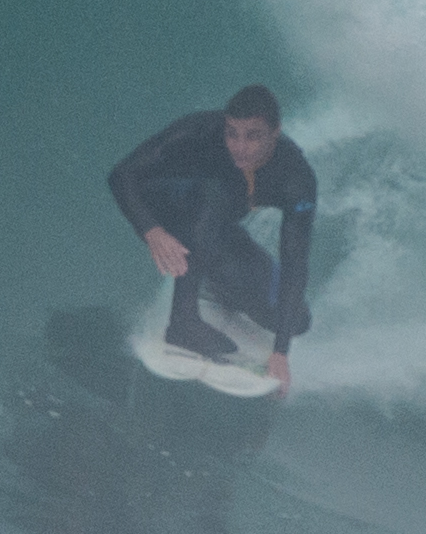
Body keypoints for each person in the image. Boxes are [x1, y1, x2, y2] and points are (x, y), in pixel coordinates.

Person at [108, 85, 316, 389]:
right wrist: (152, 231)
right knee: (215, 194)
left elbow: (295, 261)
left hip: (213, 229)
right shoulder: (200, 130)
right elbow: (121, 175)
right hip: (163, 212)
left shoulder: (295, 178)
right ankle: (183, 322)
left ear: (276, 132)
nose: (239, 146)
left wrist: (280, 352)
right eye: (232, 133)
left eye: (253, 135)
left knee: (297, 320)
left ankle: (218, 283)